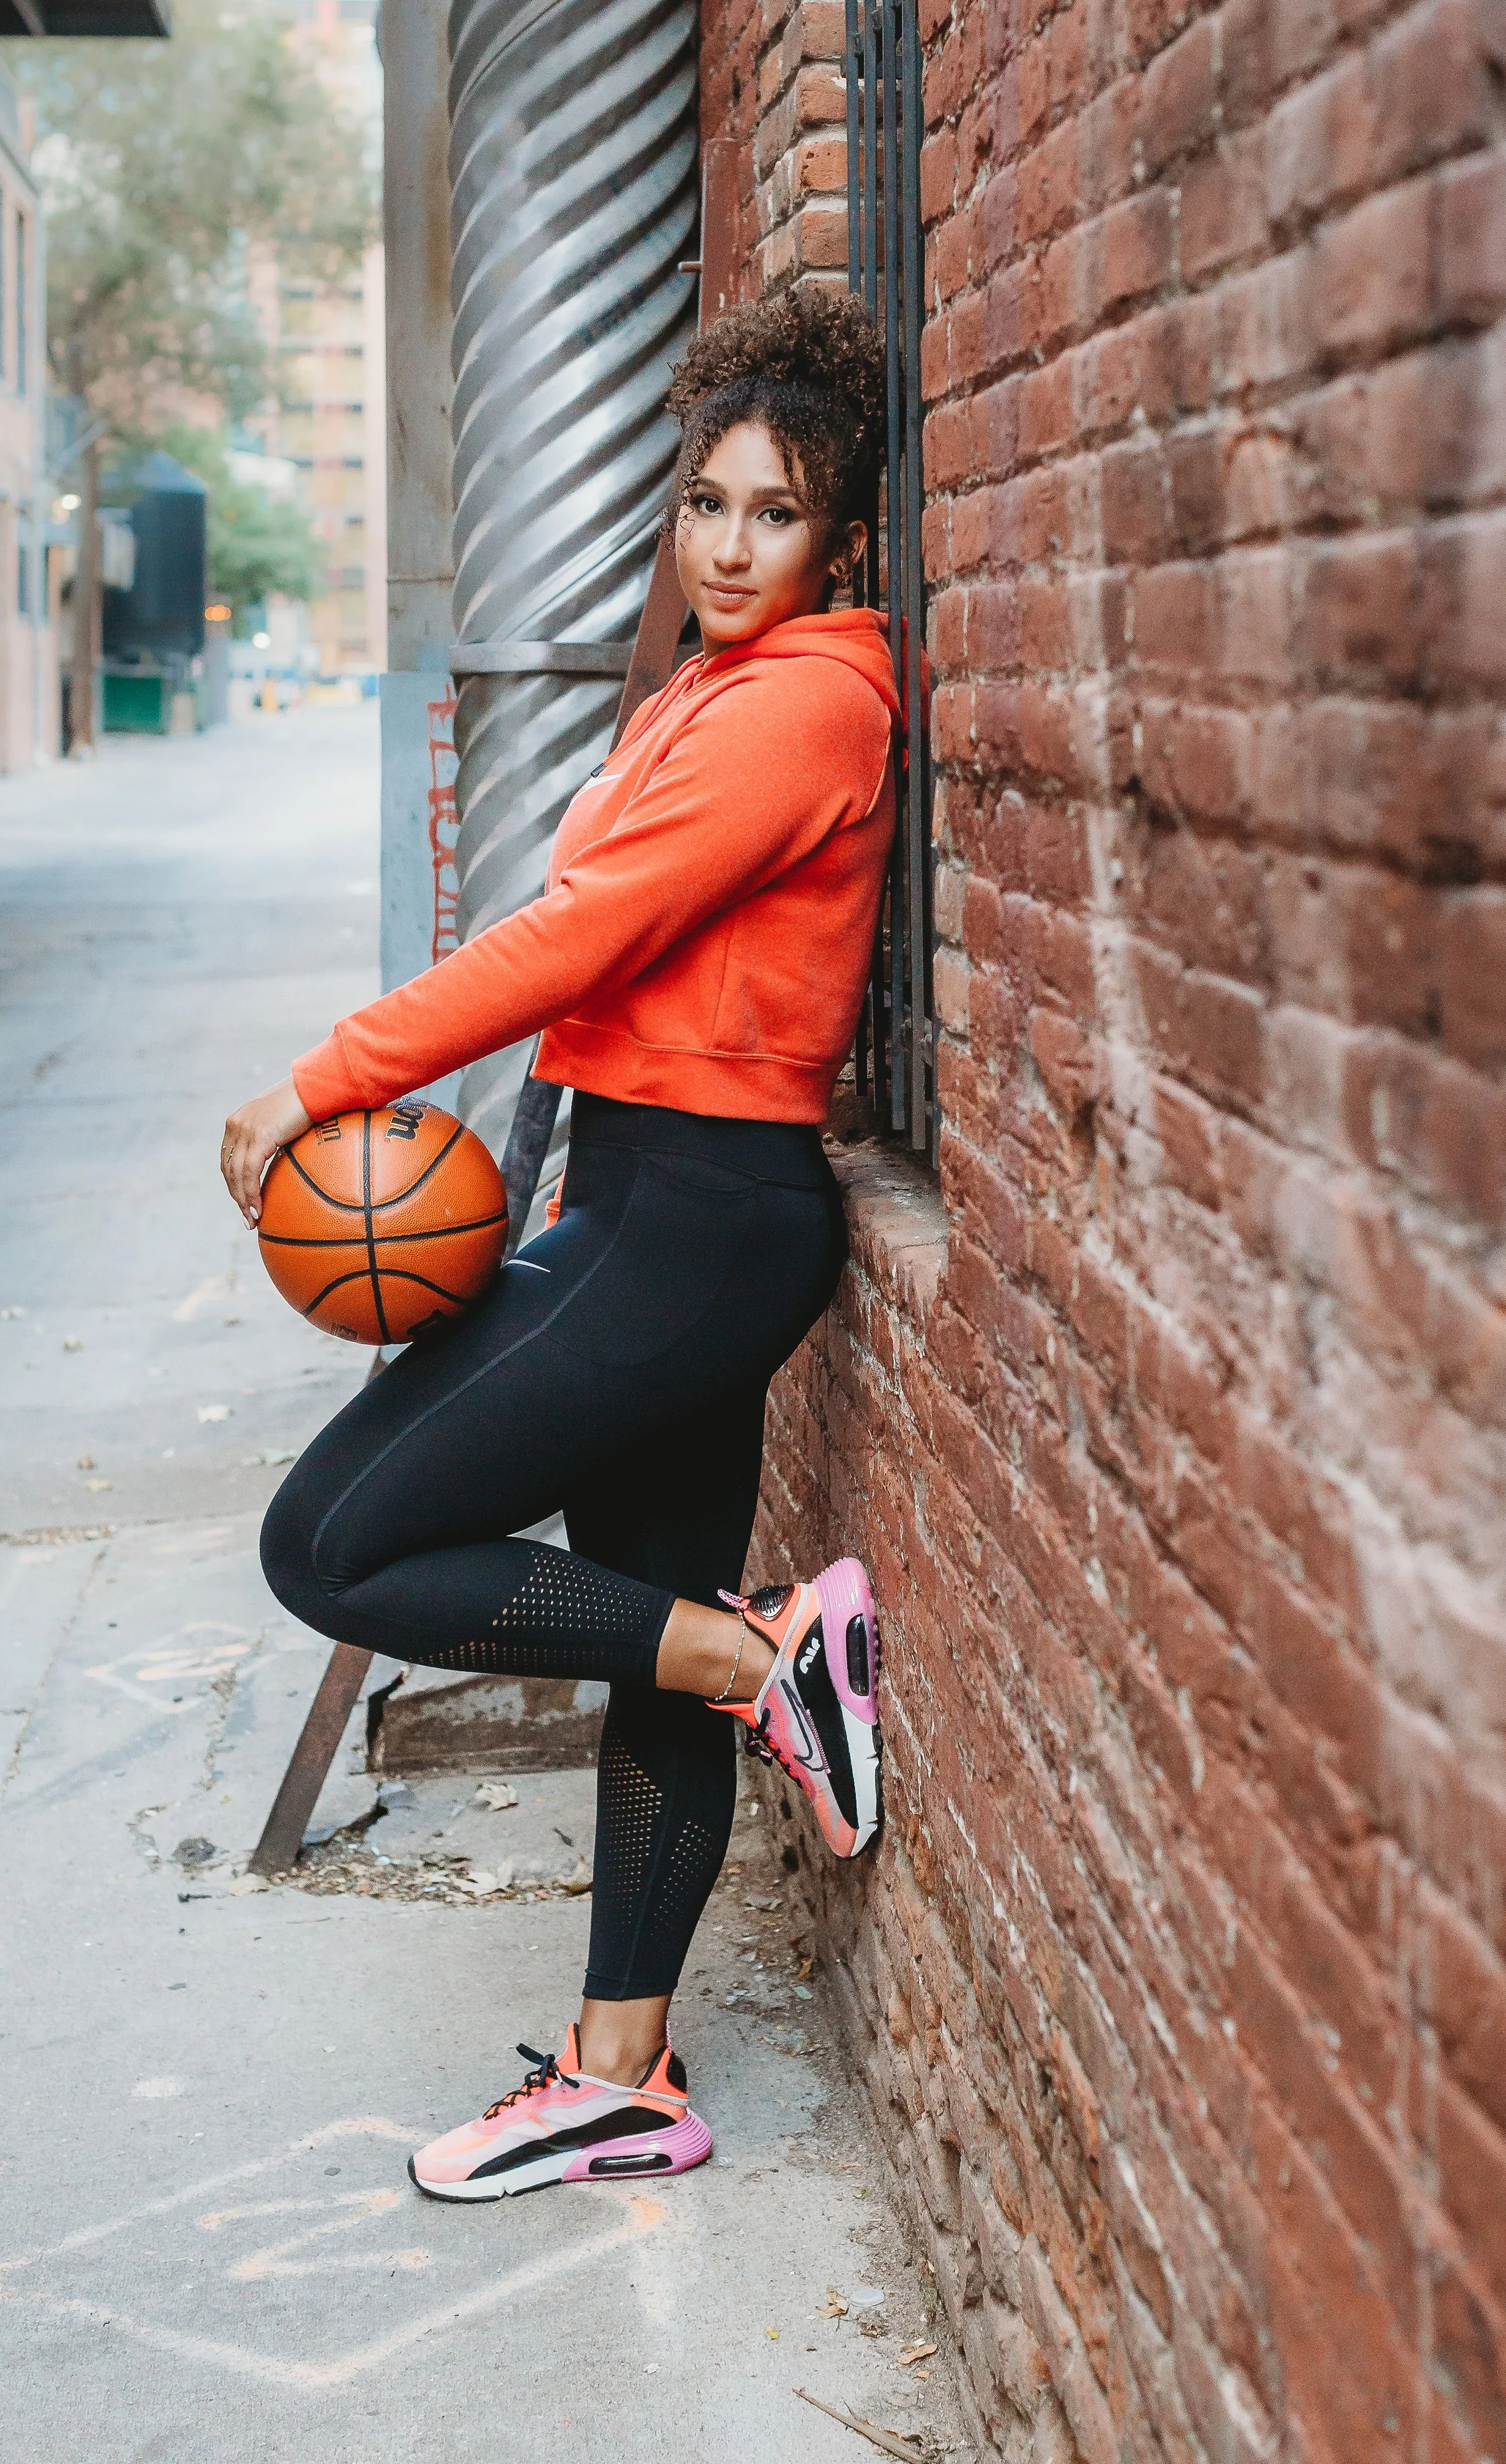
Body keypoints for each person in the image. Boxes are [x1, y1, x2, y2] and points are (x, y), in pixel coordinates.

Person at [221, 284, 898, 2202]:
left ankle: (756, 1655)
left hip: (698, 1214)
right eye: (707, 505)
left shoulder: (813, 700)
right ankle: (623, 2073)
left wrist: (326, 1075)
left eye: (774, 514)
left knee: (332, 1540)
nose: (730, 543)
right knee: (633, 1645)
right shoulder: (711, 687)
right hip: (650, 1197)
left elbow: (577, 939)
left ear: (835, 536)